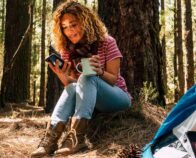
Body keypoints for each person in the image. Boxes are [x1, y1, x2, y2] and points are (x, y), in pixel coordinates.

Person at [31, 1, 131, 157]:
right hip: (89, 100)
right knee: (72, 87)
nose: (69, 31)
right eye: (64, 27)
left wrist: (99, 71)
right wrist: (61, 74)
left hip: (116, 97)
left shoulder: (107, 42)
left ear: (85, 22)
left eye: (73, 24)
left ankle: (77, 138)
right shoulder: (67, 50)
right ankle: (49, 141)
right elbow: (73, 87)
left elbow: (113, 79)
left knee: (87, 77)